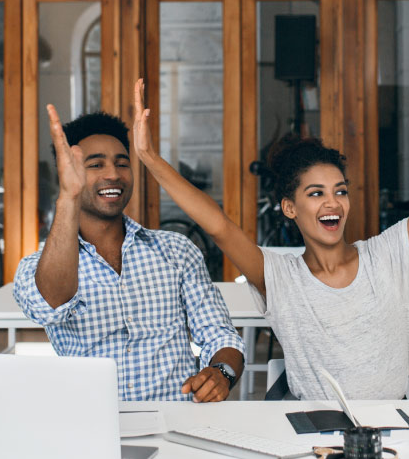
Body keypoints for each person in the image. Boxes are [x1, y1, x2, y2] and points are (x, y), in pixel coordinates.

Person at [129, 31, 409, 401]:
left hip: (392, 433)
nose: (333, 203)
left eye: (340, 191)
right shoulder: (280, 277)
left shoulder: (388, 254)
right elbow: (216, 224)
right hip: (315, 437)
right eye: (316, 193)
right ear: (289, 208)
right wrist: (148, 158)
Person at [12, 109, 244, 402]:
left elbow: (219, 334)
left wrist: (221, 373)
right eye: (95, 164)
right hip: (92, 424)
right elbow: (50, 305)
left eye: (122, 164)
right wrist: (68, 197)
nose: (113, 174)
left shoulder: (176, 250)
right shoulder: (37, 267)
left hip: (179, 421)